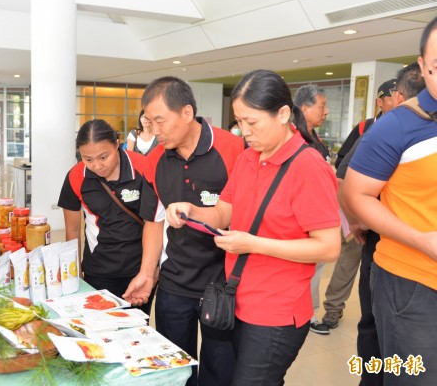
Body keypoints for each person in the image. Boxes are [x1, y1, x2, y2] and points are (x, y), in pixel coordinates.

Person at [166, 69, 341, 385]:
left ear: (284, 114)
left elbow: (328, 247)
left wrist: (253, 244)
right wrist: (192, 210)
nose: (243, 131)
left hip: (277, 312)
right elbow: (222, 212)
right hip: (238, 300)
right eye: (239, 122)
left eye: (252, 122)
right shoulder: (249, 158)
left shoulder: (308, 166)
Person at [125, 76, 244, 386]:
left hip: (225, 286)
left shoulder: (233, 149)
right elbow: (154, 220)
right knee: (175, 372)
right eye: (147, 122)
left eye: (159, 121)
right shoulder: (155, 161)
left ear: (187, 113)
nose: (152, 130)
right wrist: (147, 274)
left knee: (220, 373)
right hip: (175, 283)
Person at [342, 17, 437, 386]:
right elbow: (353, 193)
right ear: (422, 64)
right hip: (411, 280)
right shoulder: (397, 125)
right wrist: (422, 240)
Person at [58, 119, 163, 315]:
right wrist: (74, 275)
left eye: (103, 157)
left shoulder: (142, 167)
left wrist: (151, 270)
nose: (97, 166)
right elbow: (72, 231)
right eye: (88, 159)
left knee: (137, 329)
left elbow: (156, 221)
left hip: (139, 269)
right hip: (98, 270)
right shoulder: (75, 176)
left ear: (117, 143)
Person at [319, 79, 398, 333]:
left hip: (391, 217)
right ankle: (333, 310)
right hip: (361, 212)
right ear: (380, 101)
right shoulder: (366, 128)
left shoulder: (408, 129)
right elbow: (342, 168)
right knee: (350, 260)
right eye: (393, 95)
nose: (398, 100)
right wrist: (353, 216)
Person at [293, 83, 333, 335]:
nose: (326, 112)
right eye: (322, 106)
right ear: (304, 108)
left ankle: (309, 311)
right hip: (299, 219)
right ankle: (307, 312)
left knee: (316, 267)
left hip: (318, 216)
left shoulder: (314, 139)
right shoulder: (293, 139)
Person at [334, 79, 396, 170]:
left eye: (404, 97)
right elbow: (340, 162)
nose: (399, 102)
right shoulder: (363, 127)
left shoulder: (411, 129)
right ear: (379, 102)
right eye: (393, 97)